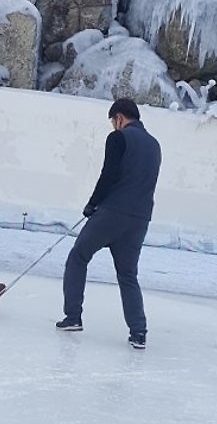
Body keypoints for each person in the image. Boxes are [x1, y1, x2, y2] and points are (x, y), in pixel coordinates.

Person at [56, 98, 161, 349]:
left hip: (113, 212)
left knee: (78, 256)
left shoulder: (118, 138)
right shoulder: (155, 145)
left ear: (119, 118)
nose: (114, 127)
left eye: (114, 122)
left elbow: (109, 174)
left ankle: (73, 317)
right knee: (127, 274)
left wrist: (92, 204)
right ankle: (138, 332)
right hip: (140, 219)